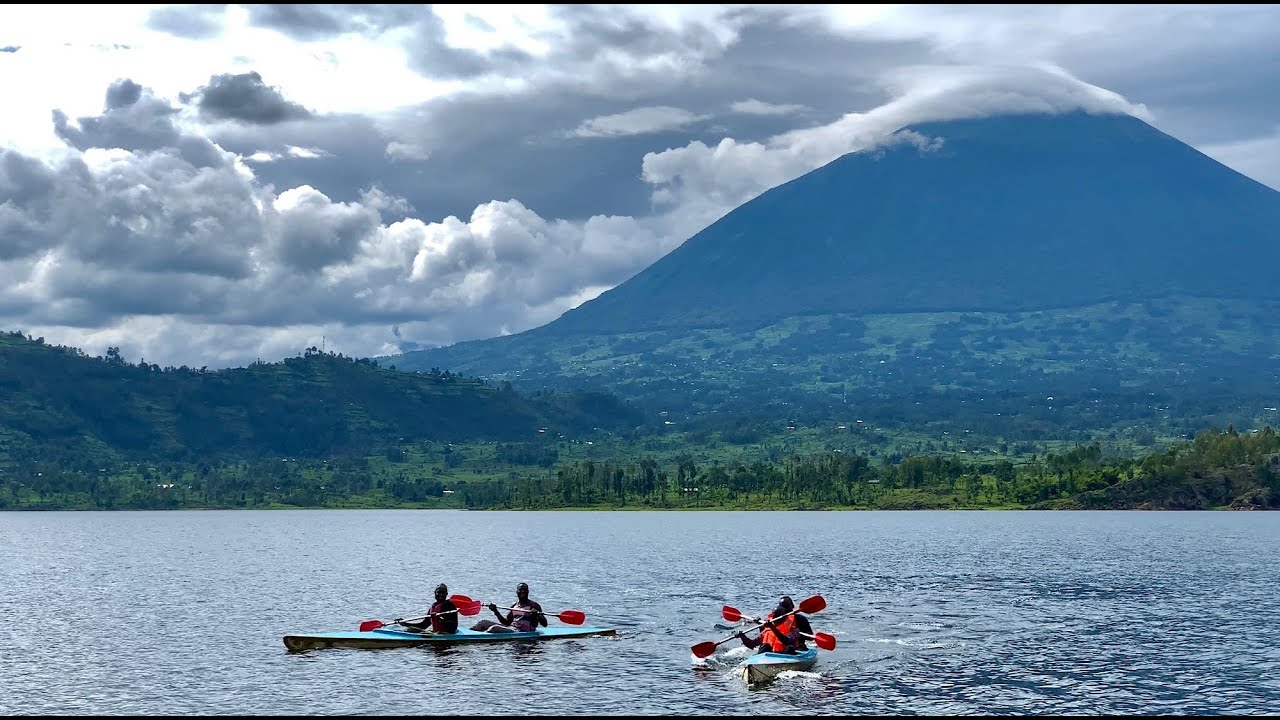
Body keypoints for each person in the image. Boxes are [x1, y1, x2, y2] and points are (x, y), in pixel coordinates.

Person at [735, 595, 813, 654]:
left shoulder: (794, 626)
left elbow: (788, 641)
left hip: (789, 651)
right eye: (774, 618)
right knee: (765, 646)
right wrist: (743, 636)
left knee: (790, 648)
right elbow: (751, 644)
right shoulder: (769, 628)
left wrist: (800, 636)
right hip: (773, 653)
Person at [470, 582, 548, 633]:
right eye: (521, 590)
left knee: (494, 628)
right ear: (517, 592)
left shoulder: (534, 605)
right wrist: (496, 611)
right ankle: (466, 634)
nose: (523, 592)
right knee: (483, 622)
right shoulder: (514, 605)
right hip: (512, 628)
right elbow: (506, 623)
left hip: (522, 631)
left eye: (525, 590)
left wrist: (538, 615)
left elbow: (545, 624)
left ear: (528, 592)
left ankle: (480, 638)